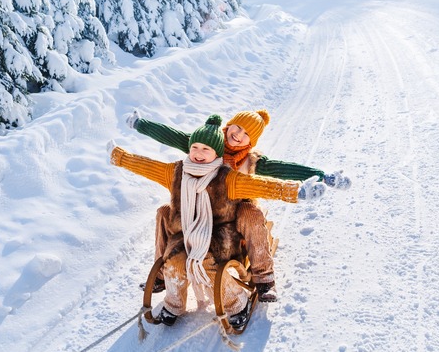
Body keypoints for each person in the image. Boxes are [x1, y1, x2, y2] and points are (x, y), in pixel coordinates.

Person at [108, 115, 326, 329]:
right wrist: (122, 151)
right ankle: (171, 294)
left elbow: (265, 183)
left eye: (246, 133)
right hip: (191, 226)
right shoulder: (182, 166)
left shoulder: (234, 173)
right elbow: (150, 160)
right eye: (195, 148)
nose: (238, 135)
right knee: (170, 238)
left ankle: (253, 286)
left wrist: (301, 190)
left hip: (226, 225)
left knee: (243, 219)